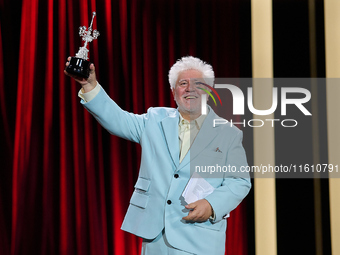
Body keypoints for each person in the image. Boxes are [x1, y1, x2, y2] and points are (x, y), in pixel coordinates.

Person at [65, 56, 251, 255]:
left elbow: (239, 181)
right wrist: (90, 85)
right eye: (182, 83)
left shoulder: (228, 134)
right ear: (173, 92)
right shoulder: (154, 120)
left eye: (198, 84)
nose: (190, 89)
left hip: (200, 239)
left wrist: (211, 205)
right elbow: (117, 120)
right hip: (156, 239)